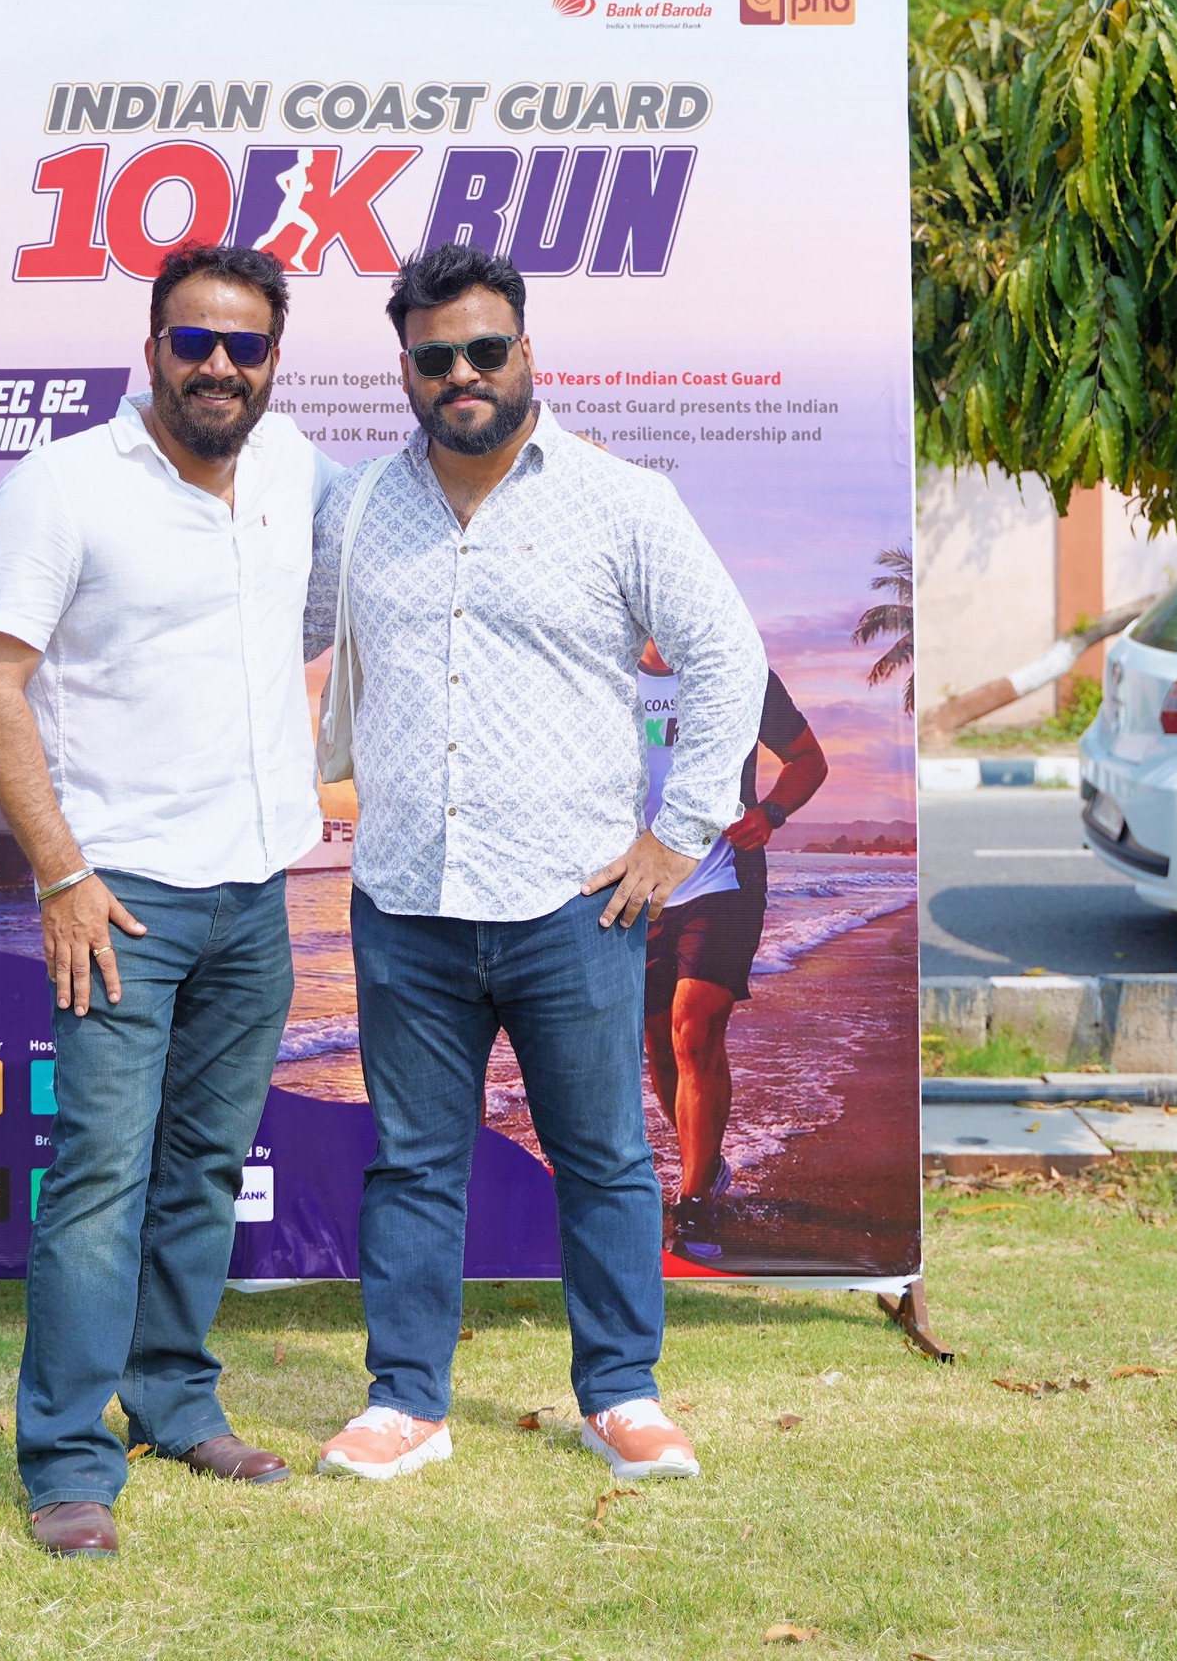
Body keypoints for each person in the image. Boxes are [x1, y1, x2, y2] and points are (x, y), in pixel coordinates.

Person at [305, 242, 764, 1486]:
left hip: (575, 904)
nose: (462, 373)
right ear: (405, 369)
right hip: (406, 899)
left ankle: (621, 1393)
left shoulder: (623, 501)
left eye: (484, 349)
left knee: (604, 1155)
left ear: (526, 352)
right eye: (435, 356)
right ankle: (406, 1401)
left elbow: (728, 655)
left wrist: (680, 836)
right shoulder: (355, 511)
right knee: (413, 1162)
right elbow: (270, 634)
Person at [0, 241, 325, 1558]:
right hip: (120, 903)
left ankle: (175, 1401)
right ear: (152, 348)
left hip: (255, 892)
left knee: (205, 1170)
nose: (219, 364)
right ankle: (67, 1458)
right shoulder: (62, 486)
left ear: (273, 359)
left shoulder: (294, 471)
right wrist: (60, 872)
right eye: (194, 340)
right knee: (102, 1177)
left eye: (245, 344)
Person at [634, 641, 827, 1263]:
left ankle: (694, 1201)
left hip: (723, 881)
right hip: (638, 886)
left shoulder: (738, 671)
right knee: (660, 1046)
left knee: (694, 1033)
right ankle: (709, 1164)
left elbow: (807, 759)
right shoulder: (601, 667)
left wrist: (770, 813)